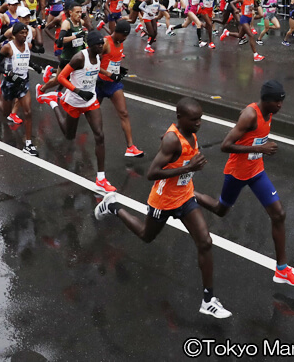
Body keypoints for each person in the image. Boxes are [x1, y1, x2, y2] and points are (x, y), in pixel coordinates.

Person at [93, 97, 229, 318]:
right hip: (163, 201)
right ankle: (113, 206)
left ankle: (208, 300)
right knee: (146, 235)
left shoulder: (189, 133)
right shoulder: (171, 141)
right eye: (194, 119)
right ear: (180, 118)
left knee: (205, 242)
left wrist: (189, 171)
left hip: (185, 197)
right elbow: (152, 174)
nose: (199, 123)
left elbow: (180, 160)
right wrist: (189, 166)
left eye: (200, 119)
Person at [195, 81, 294, 287]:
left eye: (282, 101)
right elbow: (225, 146)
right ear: (266, 101)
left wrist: (259, 151)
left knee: (279, 214)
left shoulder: (268, 112)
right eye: (277, 102)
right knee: (220, 210)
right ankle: (189, 194)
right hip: (237, 174)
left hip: (256, 172)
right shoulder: (250, 115)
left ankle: (282, 270)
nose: (280, 106)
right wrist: (262, 148)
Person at [36, 30, 115, 193]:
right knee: (69, 135)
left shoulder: (98, 56)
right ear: (91, 45)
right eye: (98, 44)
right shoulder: (79, 57)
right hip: (74, 100)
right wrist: (78, 91)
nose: (101, 46)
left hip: (90, 100)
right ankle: (53, 103)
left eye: (102, 43)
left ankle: (101, 178)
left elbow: (95, 70)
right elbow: (61, 78)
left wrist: (111, 74)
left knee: (100, 135)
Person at [0, 22, 40, 156]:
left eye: (26, 33)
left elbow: (26, 59)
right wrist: (8, 73)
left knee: (28, 112)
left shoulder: (28, 46)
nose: (24, 35)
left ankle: (28, 144)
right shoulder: (8, 47)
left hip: (23, 83)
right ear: (14, 34)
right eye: (21, 33)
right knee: (6, 113)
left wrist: (35, 66)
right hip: (9, 84)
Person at [95, 20, 143, 158]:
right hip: (98, 83)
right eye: (124, 36)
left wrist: (118, 69)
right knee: (92, 115)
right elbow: (92, 63)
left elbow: (112, 60)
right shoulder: (104, 43)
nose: (125, 39)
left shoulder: (119, 43)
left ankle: (130, 147)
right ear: (118, 32)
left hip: (113, 85)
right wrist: (109, 73)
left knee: (124, 113)